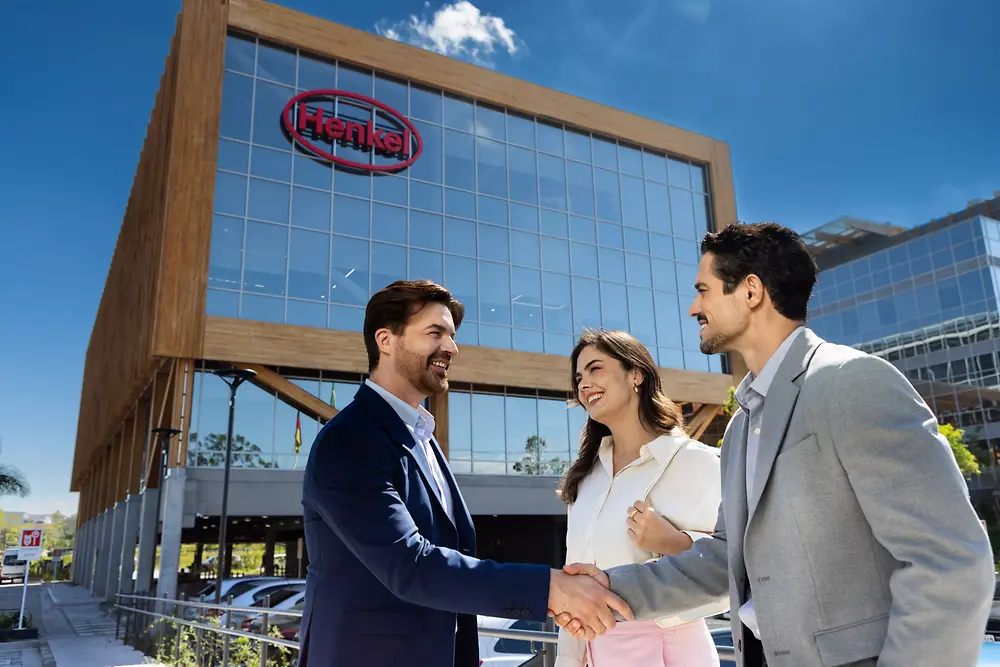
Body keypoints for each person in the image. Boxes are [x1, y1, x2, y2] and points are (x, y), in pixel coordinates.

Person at [558, 223, 994, 667]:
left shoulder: (852, 382)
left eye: (704, 291)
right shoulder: (740, 429)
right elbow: (723, 560)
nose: (694, 308)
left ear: (751, 291)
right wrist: (610, 586)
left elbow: (950, 561)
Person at [299, 279, 632, 667]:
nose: (451, 348)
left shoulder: (423, 439)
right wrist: (550, 588)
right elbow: (411, 565)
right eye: (435, 333)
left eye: (452, 336)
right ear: (386, 340)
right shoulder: (350, 440)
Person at [555, 329, 727, 667]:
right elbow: (573, 584)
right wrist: (569, 660)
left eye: (595, 368)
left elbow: (733, 566)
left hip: (671, 652)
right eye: (578, 377)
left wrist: (673, 541)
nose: (584, 383)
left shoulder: (697, 462)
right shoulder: (585, 479)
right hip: (597, 652)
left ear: (636, 374)